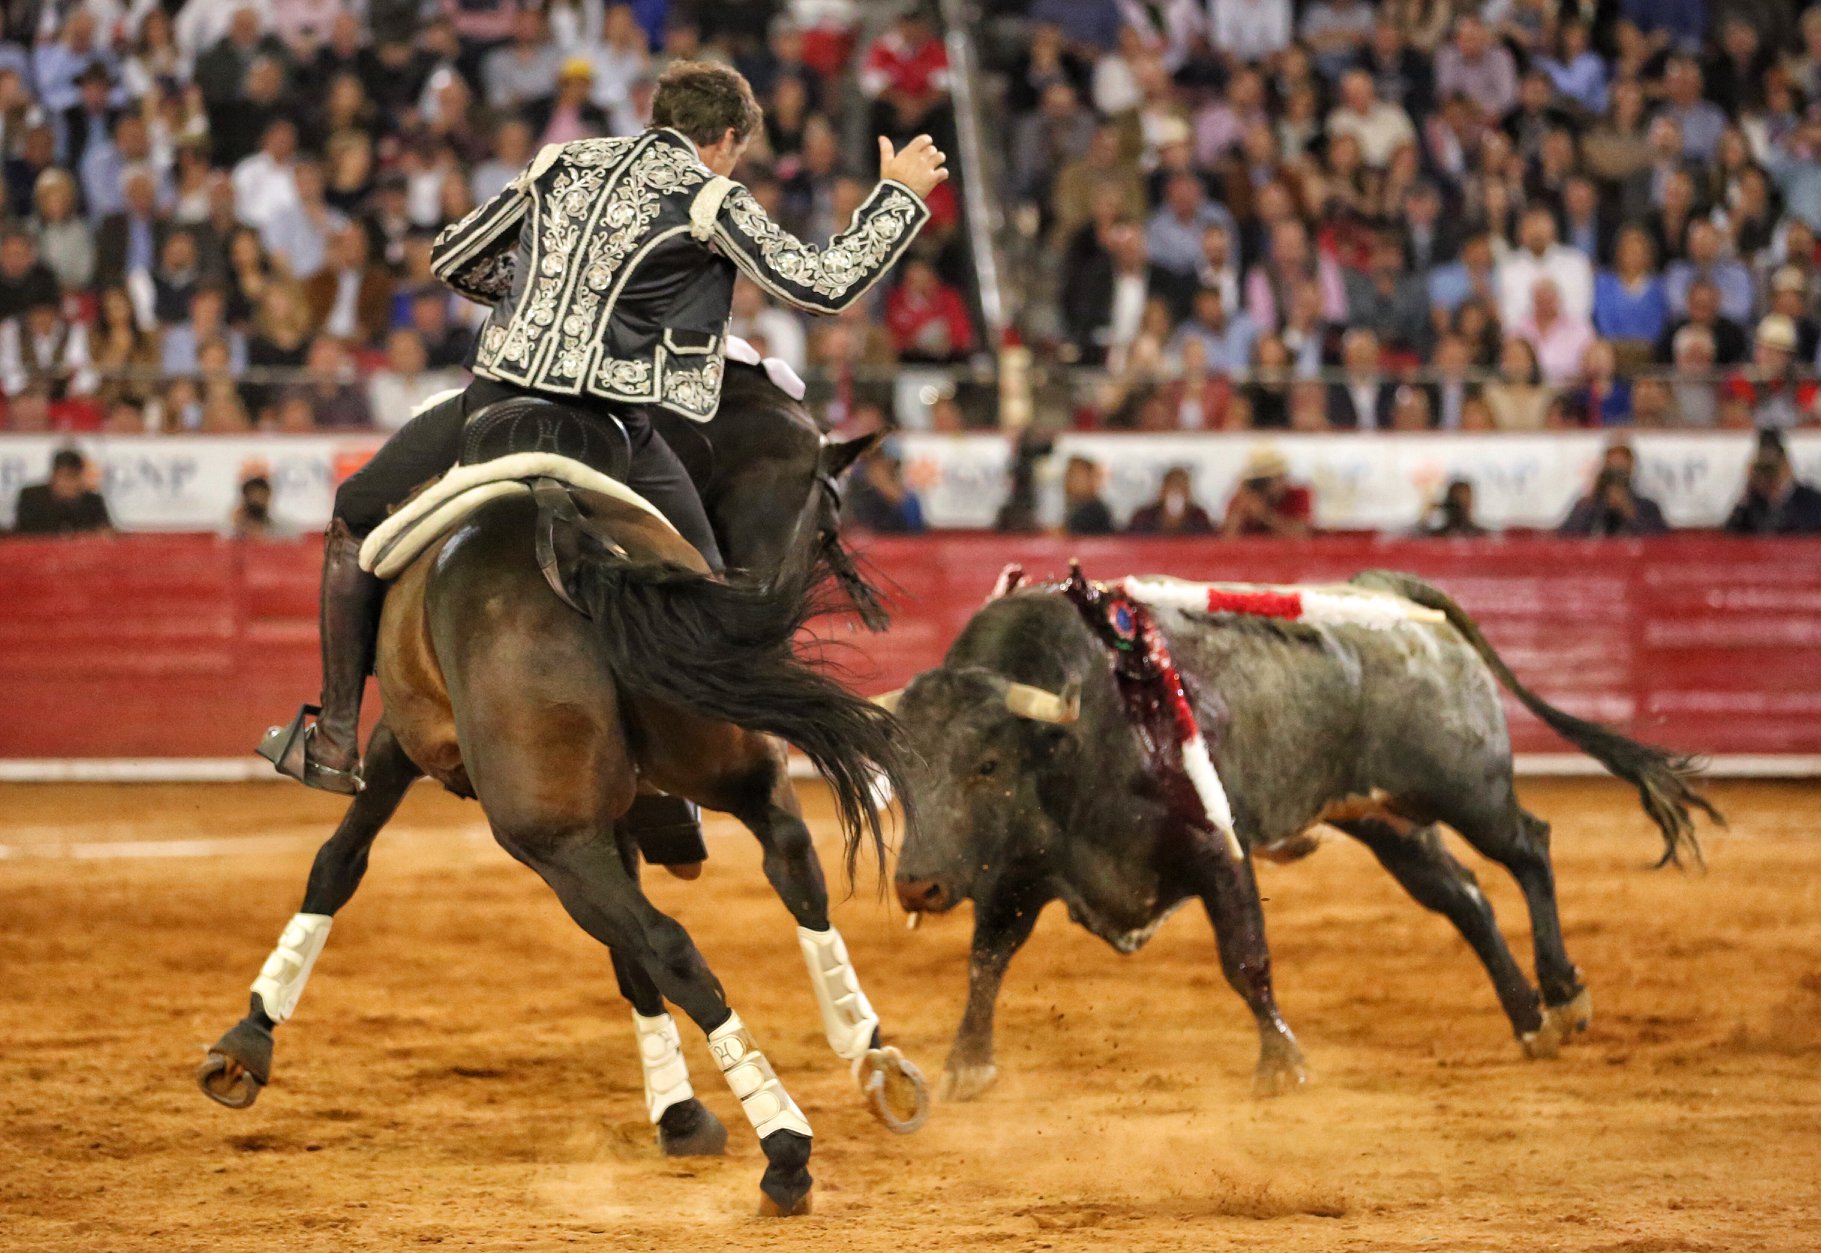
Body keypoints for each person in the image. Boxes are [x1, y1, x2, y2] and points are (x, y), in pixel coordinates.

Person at [267, 60, 948, 793]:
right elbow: (822, 284)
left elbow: (455, 260)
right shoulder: (711, 197)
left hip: (493, 407)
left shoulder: (560, 162)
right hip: (612, 431)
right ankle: (672, 782)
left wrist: (539, 289)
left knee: (355, 516)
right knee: (709, 597)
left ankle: (335, 735)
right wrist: (899, 196)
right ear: (724, 139)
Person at [1558, 443, 1668, 537]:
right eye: (1612, 466)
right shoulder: (1587, 504)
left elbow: (1659, 540)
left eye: (1621, 467)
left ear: (1631, 468)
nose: (1617, 472)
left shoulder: (1648, 506)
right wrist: (1591, 504)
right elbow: (1567, 536)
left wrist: (1628, 510)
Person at [1724, 432, 1821, 535]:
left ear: (1785, 464)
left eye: (1771, 468)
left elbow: (1806, 530)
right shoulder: (1753, 503)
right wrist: (1748, 491)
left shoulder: (1811, 499)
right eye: (1762, 468)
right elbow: (1731, 535)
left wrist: (1779, 495)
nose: (1768, 474)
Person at [11, 448, 112, 535]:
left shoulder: (93, 501)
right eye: (64, 477)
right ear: (53, 477)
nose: (68, 484)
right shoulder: (31, 497)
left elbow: (105, 531)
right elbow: (24, 534)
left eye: (74, 477)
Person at [1222, 445, 1312, 537]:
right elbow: (1227, 540)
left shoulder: (1297, 495)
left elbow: (1299, 535)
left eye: (1267, 479)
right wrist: (1240, 510)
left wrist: (1265, 515)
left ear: (1281, 477)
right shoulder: (1244, 498)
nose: (1262, 485)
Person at [1127, 465, 1214, 535]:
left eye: (1183, 489)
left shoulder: (1199, 518)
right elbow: (1127, 544)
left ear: (1189, 495)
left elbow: (1212, 544)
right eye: (1172, 488)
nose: (1177, 493)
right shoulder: (1143, 518)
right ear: (1161, 492)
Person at [1062, 454, 1115, 535]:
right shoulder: (1076, 507)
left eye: (1075, 476)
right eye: (1068, 475)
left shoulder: (1093, 511)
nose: (1068, 482)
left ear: (1091, 479)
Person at [1421, 478, 1489, 537]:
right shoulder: (1438, 535)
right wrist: (1425, 516)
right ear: (1449, 503)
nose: (1463, 505)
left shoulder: (1480, 534)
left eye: (1466, 500)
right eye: (1458, 500)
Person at [231, 474, 279, 539]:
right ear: (245, 498)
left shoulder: (275, 529)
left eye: (261, 495)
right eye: (254, 495)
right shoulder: (233, 527)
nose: (258, 500)